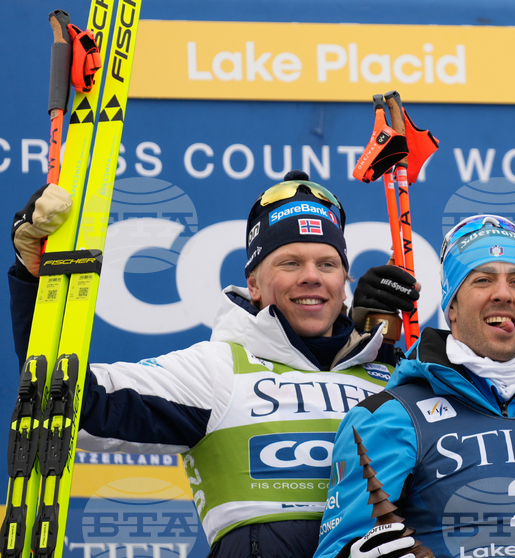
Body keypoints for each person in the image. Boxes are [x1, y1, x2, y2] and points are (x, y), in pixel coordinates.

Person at [8, 171, 419, 558]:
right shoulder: (217, 370)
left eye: (327, 264)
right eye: (290, 263)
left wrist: (386, 352)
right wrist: (35, 282)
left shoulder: (392, 381)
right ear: (253, 284)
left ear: (344, 283)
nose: (311, 276)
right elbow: (71, 401)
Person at [313, 215, 515, 558]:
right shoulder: (387, 417)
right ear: (452, 306)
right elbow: (338, 547)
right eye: (483, 280)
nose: (504, 294)